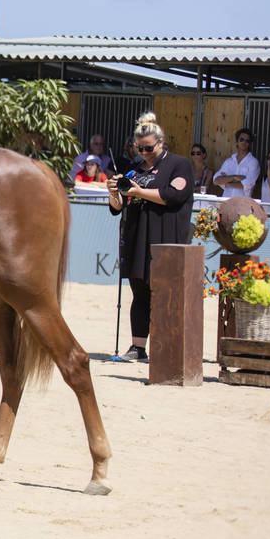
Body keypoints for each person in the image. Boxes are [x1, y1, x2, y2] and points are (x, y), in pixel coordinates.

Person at [108, 112, 194, 363]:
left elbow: (173, 196)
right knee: (140, 292)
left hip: (165, 236)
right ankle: (138, 348)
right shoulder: (133, 168)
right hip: (136, 235)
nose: (143, 153)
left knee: (164, 292)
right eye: (139, 148)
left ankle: (166, 346)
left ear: (161, 142)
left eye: (148, 148)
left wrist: (140, 192)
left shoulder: (179, 165)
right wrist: (114, 192)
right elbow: (117, 207)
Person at [213, 127, 260, 198]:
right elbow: (216, 181)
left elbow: (248, 185)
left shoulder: (253, 162)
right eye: (242, 139)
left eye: (247, 141)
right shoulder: (229, 162)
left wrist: (227, 183)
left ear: (249, 144)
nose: (244, 142)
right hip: (226, 201)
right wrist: (234, 177)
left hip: (243, 203)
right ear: (237, 141)